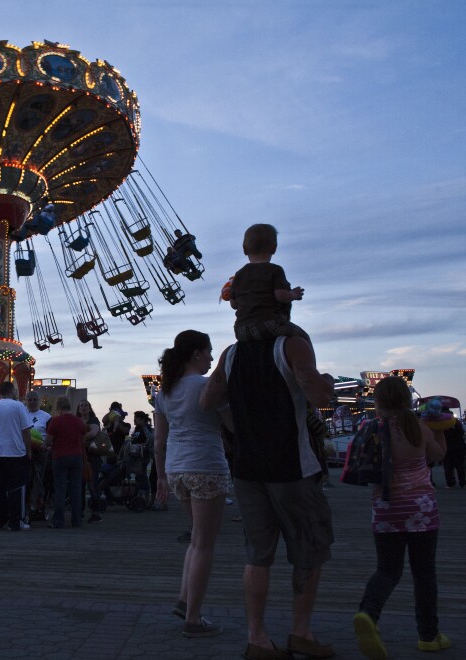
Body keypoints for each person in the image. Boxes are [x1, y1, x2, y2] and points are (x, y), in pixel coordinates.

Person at [200, 332, 335, 659]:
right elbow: (320, 397)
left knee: (258, 554)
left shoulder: (231, 354)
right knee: (309, 550)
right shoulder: (291, 344)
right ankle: (301, 632)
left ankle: (257, 638)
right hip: (292, 468)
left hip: (247, 470)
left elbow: (208, 401)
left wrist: (239, 420)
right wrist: (327, 380)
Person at [353, 376, 450, 658]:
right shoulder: (420, 429)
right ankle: (429, 636)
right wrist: (440, 429)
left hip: (386, 509)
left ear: (379, 402)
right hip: (421, 509)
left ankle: (368, 614)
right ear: (407, 400)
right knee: (424, 573)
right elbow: (439, 455)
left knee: (388, 570)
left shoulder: (371, 429)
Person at [153, 331, 229, 638]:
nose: (211, 359)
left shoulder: (165, 392)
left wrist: (160, 478)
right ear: (196, 354)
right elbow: (233, 425)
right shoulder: (206, 385)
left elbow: (159, 441)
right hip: (206, 465)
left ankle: (185, 600)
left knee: (197, 538)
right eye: (209, 353)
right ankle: (194, 618)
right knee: (205, 544)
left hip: (176, 469)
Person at [229, 224, 308, 343]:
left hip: (241, 330)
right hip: (268, 325)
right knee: (302, 337)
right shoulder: (275, 270)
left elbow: (234, 304)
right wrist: (293, 295)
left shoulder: (239, 274)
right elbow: (281, 296)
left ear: (244, 249)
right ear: (274, 248)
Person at [0, 381, 32, 531]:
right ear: (12, 391)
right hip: (15, 452)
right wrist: (28, 450)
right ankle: (15, 521)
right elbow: (26, 431)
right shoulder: (18, 406)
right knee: (16, 488)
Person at [44, 397, 87, 528]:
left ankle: (58, 521)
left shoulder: (55, 421)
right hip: (76, 457)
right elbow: (84, 437)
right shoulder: (78, 421)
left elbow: (47, 442)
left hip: (60, 457)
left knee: (60, 489)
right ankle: (76, 520)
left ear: (58, 408)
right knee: (76, 489)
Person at [24, 391, 52, 519]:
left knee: (40, 480)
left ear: (39, 401)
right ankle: (28, 505)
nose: (32, 402)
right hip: (25, 453)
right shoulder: (22, 415)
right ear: (26, 401)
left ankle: (39, 505)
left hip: (41, 453)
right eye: (30, 400)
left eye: (35, 400)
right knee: (28, 480)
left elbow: (51, 435)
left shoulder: (46, 417)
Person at [76, 399, 104, 523]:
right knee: (79, 486)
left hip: (92, 457)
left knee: (92, 485)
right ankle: (80, 511)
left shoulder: (94, 421)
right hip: (80, 457)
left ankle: (96, 513)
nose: (83, 407)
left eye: (86, 405)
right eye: (81, 405)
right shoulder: (76, 421)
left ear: (90, 407)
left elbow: (93, 433)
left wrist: (78, 439)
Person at [442, 411, 465, 488]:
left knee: (448, 467)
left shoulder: (442, 424)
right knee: (460, 466)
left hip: (447, 447)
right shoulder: (456, 422)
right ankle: (462, 482)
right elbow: (461, 432)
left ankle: (450, 482)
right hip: (458, 447)